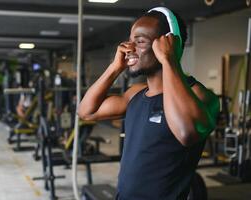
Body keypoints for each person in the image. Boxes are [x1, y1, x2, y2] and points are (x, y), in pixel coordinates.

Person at [78, 7, 220, 200]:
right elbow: (86, 111)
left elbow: (186, 133)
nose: (129, 47)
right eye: (130, 40)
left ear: (168, 45)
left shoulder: (201, 96)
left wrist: (170, 60)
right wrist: (114, 67)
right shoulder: (135, 94)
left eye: (140, 41)